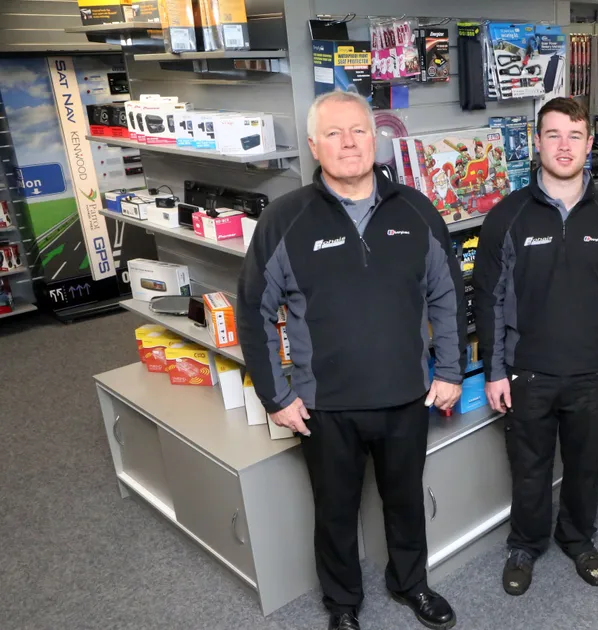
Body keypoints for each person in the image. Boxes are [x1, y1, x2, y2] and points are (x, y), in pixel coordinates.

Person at [237, 90, 466, 630]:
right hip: (325, 406)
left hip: (405, 395)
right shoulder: (285, 219)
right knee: (335, 511)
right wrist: (277, 397)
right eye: (334, 133)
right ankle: (342, 604)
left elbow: (448, 295)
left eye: (359, 131)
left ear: (375, 138)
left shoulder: (416, 210)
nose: (348, 143)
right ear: (315, 146)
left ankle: (411, 584)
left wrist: (452, 370)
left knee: (405, 501)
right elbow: (253, 311)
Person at [473, 97, 598, 596]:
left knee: (584, 465)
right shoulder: (507, 217)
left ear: (590, 143)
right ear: (537, 142)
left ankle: (577, 537)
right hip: (527, 373)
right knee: (529, 468)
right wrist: (495, 370)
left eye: (574, 135)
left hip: (593, 373)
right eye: (553, 134)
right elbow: (491, 301)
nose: (564, 145)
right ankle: (525, 544)